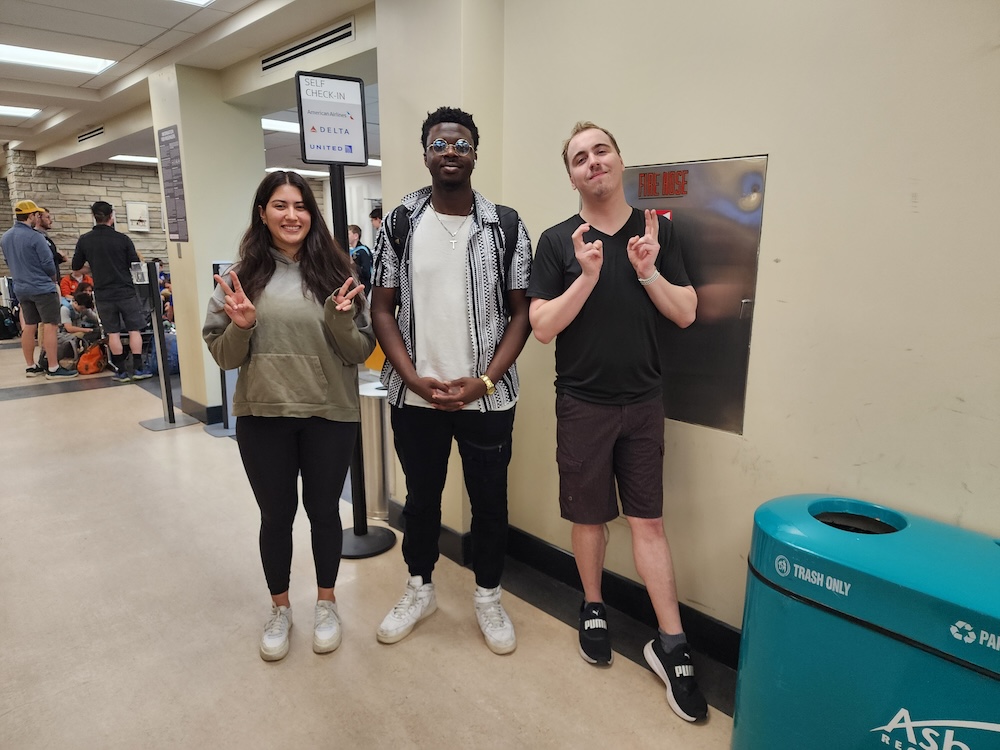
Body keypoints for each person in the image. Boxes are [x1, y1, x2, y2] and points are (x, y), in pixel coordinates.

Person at [526, 121, 707, 722]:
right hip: (581, 402)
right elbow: (544, 325)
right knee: (588, 515)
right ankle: (594, 605)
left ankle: (672, 642)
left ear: (619, 160)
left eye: (601, 150)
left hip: (643, 403)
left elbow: (685, 314)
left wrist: (648, 270)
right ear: (572, 174)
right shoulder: (556, 241)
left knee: (648, 522)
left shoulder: (655, 231)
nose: (593, 162)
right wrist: (588, 274)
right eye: (580, 157)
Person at [371, 106, 532, 655]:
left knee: (490, 502)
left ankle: (488, 595)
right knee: (421, 498)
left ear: (474, 154)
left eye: (460, 144)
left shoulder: (505, 225)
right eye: (439, 144)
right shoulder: (399, 222)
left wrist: (484, 381)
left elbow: (522, 313)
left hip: (487, 399)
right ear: (425, 153)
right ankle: (420, 588)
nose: (450, 152)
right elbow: (382, 308)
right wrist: (413, 379)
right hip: (415, 398)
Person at [203, 171, 374, 662]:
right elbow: (224, 357)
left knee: (324, 513)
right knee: (276, 516)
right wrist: (242, 326)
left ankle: (326, 602)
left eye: (300, 205)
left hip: (329, 413)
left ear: (311, 214)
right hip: (264, 413)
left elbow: (360, 349)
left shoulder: (337, 273)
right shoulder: (241, 279)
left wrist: (340, 319)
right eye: (280, 205)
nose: (291, 215)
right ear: (263, 212)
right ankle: (280, 608)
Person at [71, 201, 152, 383]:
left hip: (103, 293)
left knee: (113, 333)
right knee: (134, 330)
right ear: (111, 216)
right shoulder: (123, 239)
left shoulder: (85, 240)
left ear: (94, 217)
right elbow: (135, 264)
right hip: (125, 291)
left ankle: (121, 371)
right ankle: (138, 368)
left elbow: (76, 266)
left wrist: (93, 270)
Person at [0, 199, 78, 379]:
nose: (38, 217)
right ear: (31, 216)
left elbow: (8, 262)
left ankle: (31, 366)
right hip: (42, 287)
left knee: (28, 326)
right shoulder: (36, 237)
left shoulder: (6, 237)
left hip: (21, 288)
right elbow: (49, 265)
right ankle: (53, 367)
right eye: (37, 214)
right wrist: (52, 281)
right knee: (50, 326)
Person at [346, 223, 372, 292]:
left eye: (348, 234)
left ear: (356, 236)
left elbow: (367, 272)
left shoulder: (363, 251)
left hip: (363, 285)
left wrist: (352, 264)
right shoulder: (350, 250)